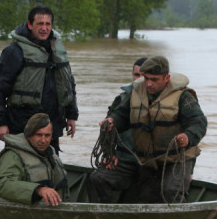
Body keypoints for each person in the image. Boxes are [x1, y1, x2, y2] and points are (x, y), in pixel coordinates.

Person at [87, 56, 206, 204]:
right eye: (146, 78)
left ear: (167, 77)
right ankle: (103, 218)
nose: (149, 83)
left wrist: (188, 136)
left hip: (175, 159)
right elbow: (120, 116)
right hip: (147, 160)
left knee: (170, 191)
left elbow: (199, 122)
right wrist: (112, 122)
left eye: (155, 79)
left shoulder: (183, 97)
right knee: (102, 179)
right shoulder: (135, 93)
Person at [0, 5, 78, 152]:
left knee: (51, 168)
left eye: (48, 24)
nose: (44, 28)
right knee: (18, 165)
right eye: (40, 24)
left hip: (51, 123)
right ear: (30, 24)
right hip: (21, 123)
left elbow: (68, 84)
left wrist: (71, 115)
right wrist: (0, 123)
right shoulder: (14, 52)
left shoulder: (57, 50)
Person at [0, 113, 68, 206]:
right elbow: (3, 185)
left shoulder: (51, 153)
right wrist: (38, 190)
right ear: (28, 136)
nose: (43, 140)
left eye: (47, 135)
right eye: (39, 135)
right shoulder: (13, 155)